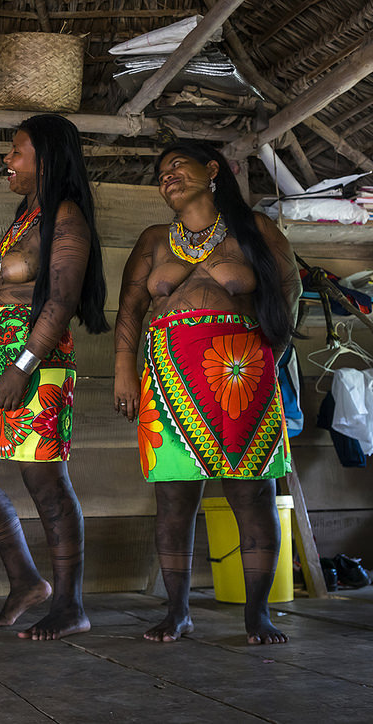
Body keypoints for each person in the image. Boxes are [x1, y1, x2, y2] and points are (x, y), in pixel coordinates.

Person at [114, 142, 299, 645]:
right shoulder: (154, 239)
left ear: (211, 170)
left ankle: (257, 614)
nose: (167, 176)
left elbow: (288, 290)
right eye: (160, 172)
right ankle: (177, 612)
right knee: (173, 498)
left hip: (241, 373)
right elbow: (131, 308)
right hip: (168, 376)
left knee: (252, 494)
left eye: (177, 165)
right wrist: (123, 371)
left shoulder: (254, 230)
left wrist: (271, 359)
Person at [0, 114, 108, 640]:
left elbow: (60, 302)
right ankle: (25, 580)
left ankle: (69, 605)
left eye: (17, 152)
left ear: (45, 158)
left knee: (44, 481)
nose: (7, 161)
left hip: (35, 362)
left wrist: (22, 366)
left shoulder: (66, 218)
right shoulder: (27, 216)